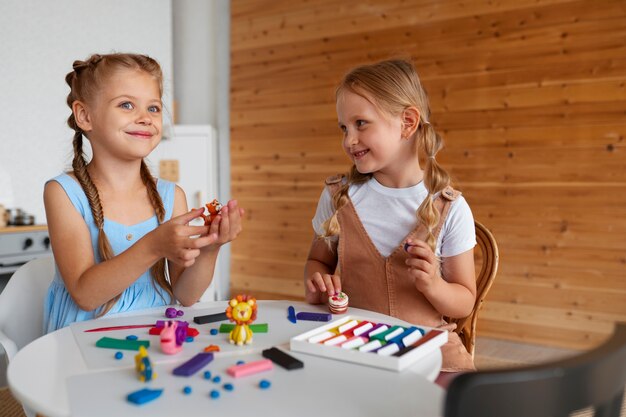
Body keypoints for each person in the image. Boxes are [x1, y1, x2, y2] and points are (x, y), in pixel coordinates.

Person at [43, 53, 243, 333]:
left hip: (157, 335)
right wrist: (153, 246)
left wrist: (211, 247)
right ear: (85, 116)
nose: (146, 118)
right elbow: (85, 296)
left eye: (154, 108)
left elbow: (186, 295)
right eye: (126, 105)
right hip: (81, 340)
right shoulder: (63, 193)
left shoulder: (172, 196)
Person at [304, 59, 476, 371]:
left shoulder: (451, 208)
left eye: (361, 124)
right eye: (344, 128)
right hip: (356, 348)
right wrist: (317, 282)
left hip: (431, 351)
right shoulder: (338, 197)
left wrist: (434, 285)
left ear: (408, 122)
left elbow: (464, 300)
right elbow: (317, 263)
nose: (348, 140)